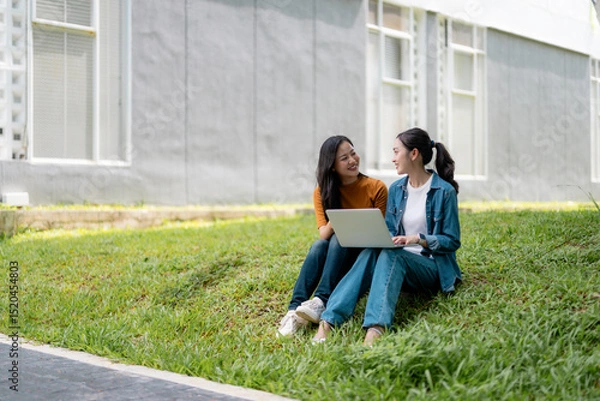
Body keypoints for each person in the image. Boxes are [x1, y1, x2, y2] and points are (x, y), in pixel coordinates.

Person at [312, 127, 462, 345]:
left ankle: (376, 328)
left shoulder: (444, 191)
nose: (393, 159)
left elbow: (452, 241)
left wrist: (417, 239)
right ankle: (328, 322)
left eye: (396, 152)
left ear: (414, 154)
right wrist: (381, 237)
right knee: (372, 251)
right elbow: (391, 230)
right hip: (399, 261)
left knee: (395, 255)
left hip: (432, 266)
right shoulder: (397, 189)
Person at [277, 135, 388, 337]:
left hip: (362, 258)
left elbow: (380, 231)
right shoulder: (322, 192)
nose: (352, 160)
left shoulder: (376, 187)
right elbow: (323, 234)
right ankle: (293, 311)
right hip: (335, 257)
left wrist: (347, 225)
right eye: (344, 158)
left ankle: (321, 299)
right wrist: (340, 216)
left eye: (353, 153)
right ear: (333, 166)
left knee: (340, 237)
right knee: (320, 246)